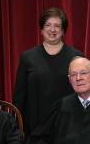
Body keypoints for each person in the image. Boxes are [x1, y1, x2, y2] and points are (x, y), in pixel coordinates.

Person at [13, 7, 83, 136]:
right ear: (41, 29)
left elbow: (83, 92)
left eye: (57, 26)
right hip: (34, 126)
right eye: (48, 25)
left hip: (68, 125)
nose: (52, 30)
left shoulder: (76, 57)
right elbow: (19, 96)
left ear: (63, 30)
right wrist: (19, 127)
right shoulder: (27, 57)